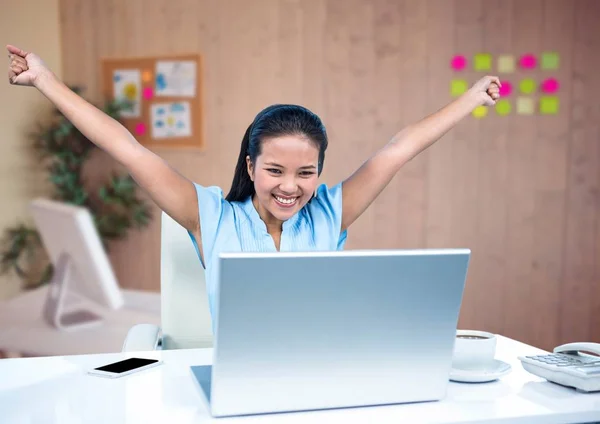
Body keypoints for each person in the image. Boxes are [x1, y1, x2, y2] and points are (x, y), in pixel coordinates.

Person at [7, 44, 501, 322]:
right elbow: (127, 149)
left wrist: (472, 99)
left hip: (323, 371)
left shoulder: (332, 212)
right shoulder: (210, 216)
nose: (291, 187)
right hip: (236, 382)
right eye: (275, 170)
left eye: (306, 173)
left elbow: (398, 148)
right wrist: (46, 81)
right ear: (250, 166)